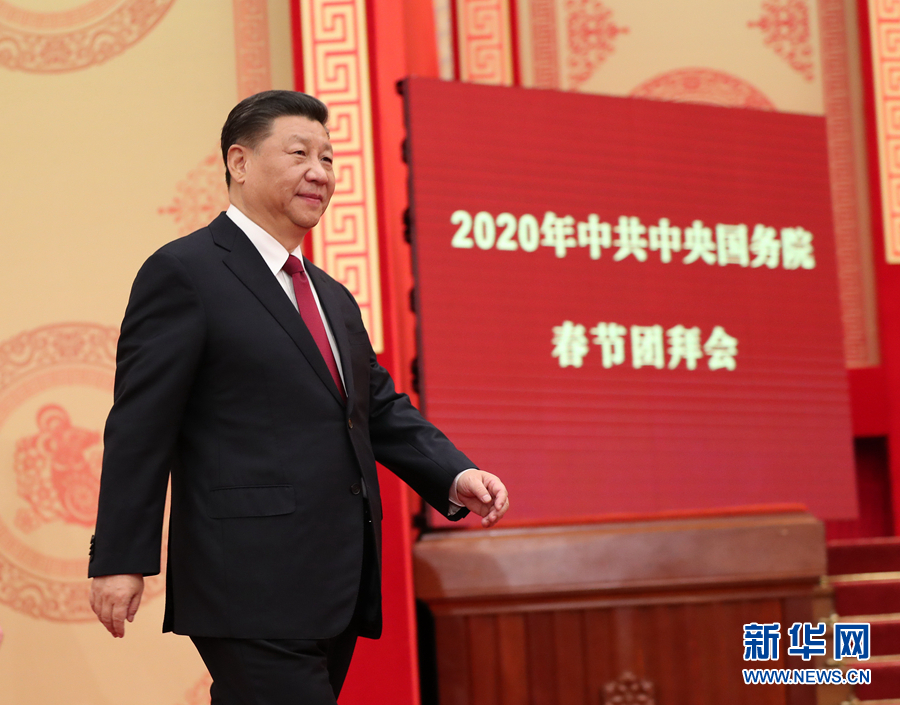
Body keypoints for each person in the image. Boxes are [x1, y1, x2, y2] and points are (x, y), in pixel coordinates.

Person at [88, 90, 509, 705]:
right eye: (299, 154)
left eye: (328, 158)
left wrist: (453, 473)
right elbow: (140, 424)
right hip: (245, 580)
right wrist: (119, 557)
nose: (320, 172)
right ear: (239, 162)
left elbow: (375, 408)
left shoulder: (331, 294)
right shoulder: (185, 272)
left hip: (335, 578)